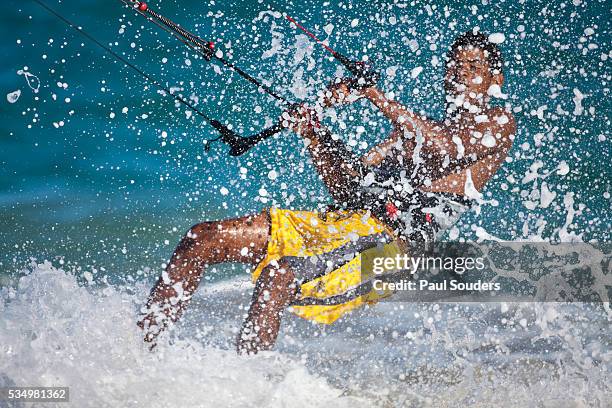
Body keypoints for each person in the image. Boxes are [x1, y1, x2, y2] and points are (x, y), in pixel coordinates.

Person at [137, 30, 516, 354]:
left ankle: (245, 386)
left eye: (472, 67)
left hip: (390, 252)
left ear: (493, 79)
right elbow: (350, 188)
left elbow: (449, 148)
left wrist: (372, 95)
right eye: (454, 64)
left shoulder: (499, 124)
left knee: (279, 276)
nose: (459, 73)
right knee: (201, 238)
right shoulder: (407, 134)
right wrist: (314, 134)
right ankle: (140, 354)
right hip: (347, 225)